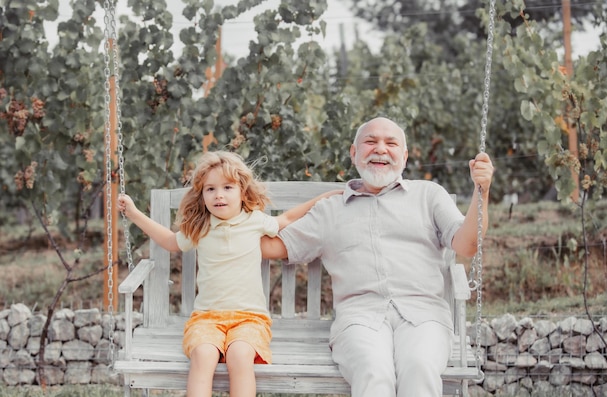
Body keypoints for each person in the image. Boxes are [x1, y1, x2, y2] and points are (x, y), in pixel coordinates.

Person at [261, 116, 494, 397]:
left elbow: (468, 245)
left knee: (418, 367)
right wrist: (216, 223)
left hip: (424, 316)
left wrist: (482, 191)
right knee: (374, 372)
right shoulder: (330, 210)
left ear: (404, 156)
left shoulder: (428, 195)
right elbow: (270, 247)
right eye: (370, 142)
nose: (380, 149)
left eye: (391, 143)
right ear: (354, 153)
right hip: (359, 320)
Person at [117, 150, 340, 397]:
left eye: (227, 187)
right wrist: (133, 213)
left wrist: (324, 198)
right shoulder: (200, 228)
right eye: (210, 189)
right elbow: (170, 242)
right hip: (206, 317)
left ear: (243, 192)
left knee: (240, 354)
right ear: (202, 196)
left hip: (250, 318)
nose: (218, 195)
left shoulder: (255, 221)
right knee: (202, 355)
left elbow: (286, 217)